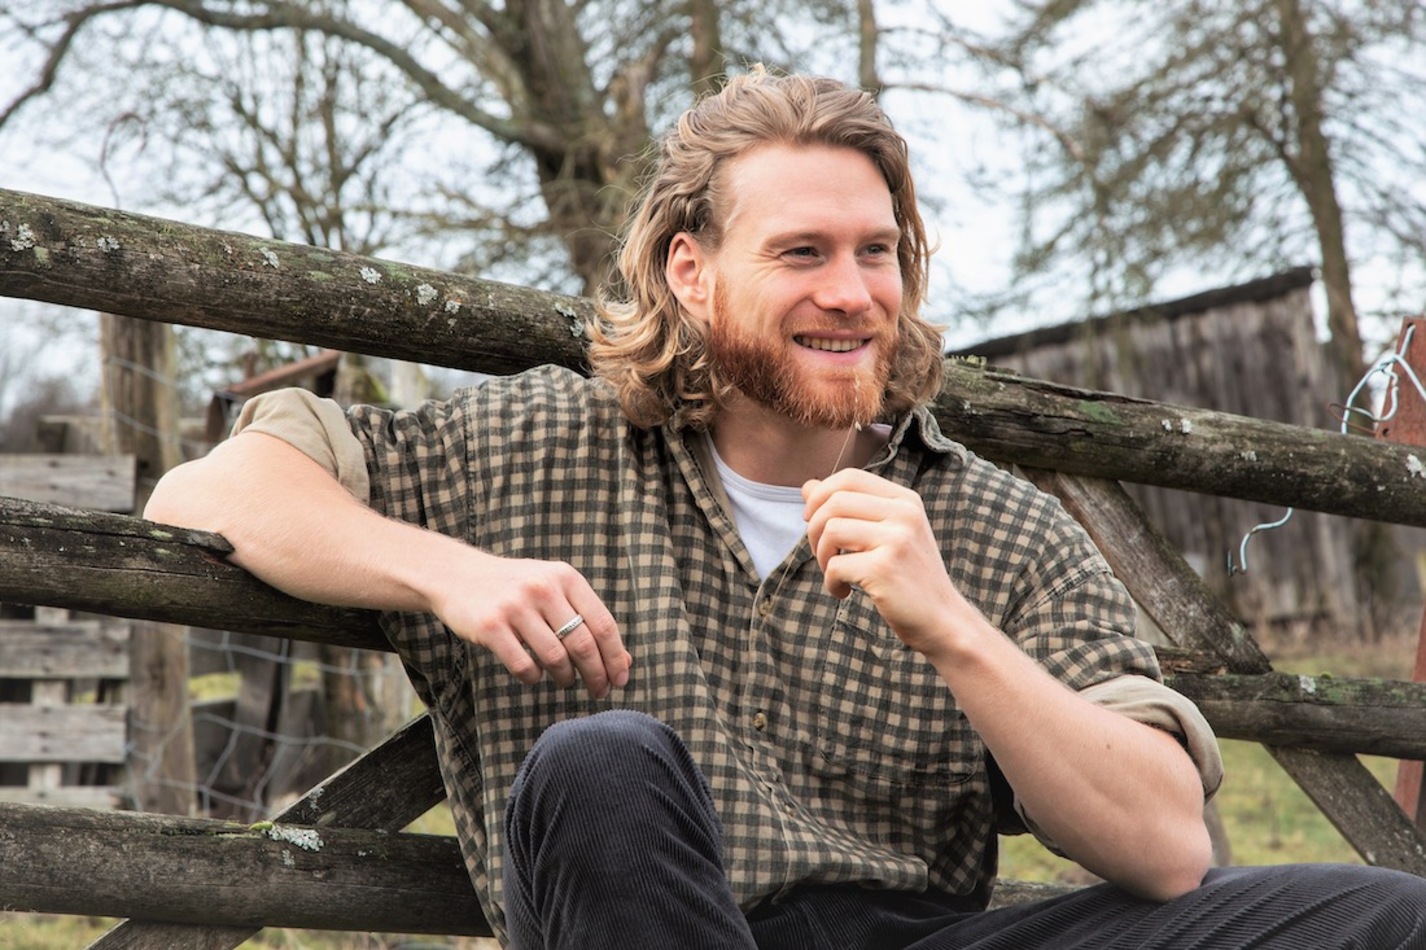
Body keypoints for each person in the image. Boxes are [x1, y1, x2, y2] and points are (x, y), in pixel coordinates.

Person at [144, 69, 1426, 949]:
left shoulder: (996, 528)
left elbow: (1165, 845)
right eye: (801, 252)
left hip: (919, 934)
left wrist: (954, 629)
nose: (852, 291)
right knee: (599, 759)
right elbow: (214, 485)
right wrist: (446, 571)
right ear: (692, 271)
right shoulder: (534, 444)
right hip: (634, 919)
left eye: (877, 251)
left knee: (1378, 914)